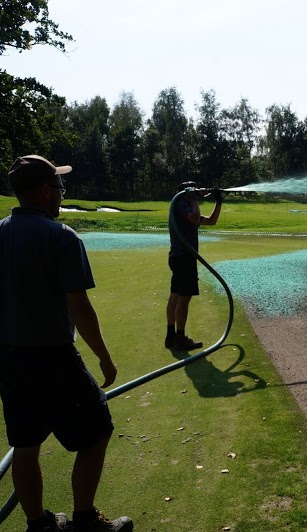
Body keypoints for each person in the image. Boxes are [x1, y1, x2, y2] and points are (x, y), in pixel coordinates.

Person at [0, 155, 133, 531]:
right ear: (44, 191)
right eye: (59, 188)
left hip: (9, 359)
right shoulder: (61, 237)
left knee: (25, 444)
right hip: (53, 358)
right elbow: (80, 307)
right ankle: (86, 520)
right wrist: (105, 358)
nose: (61, 194)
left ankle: (38, 525)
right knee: (97, 432)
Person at [165, 181, 222, 351]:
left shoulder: (184, 206)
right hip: (184, 258)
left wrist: (218, 202)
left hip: (180, 257)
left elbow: (210, 221)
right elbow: (196, 218)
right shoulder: (182, 205)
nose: (198, 192)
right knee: (183, 298)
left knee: (175, 295)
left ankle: (171, 337)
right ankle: (179, 338)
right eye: (194, 190)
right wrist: (194, 200)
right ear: (186, 193)